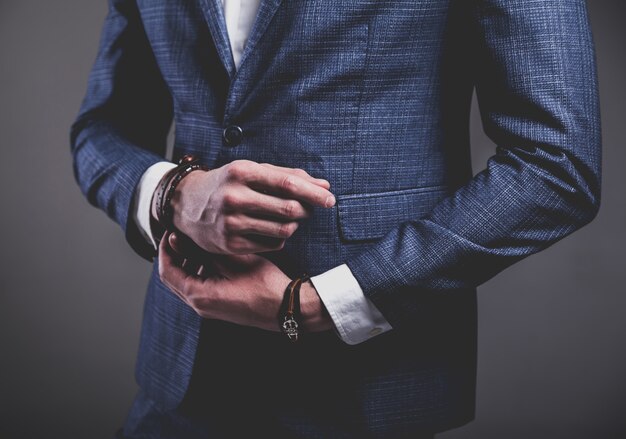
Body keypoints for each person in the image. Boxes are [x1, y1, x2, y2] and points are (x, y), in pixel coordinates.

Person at [71, 0, 601, 437]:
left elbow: (556, 163)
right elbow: (102, 128)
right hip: (180, 381)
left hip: (367, 389)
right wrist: (173, 193)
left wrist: (319, 304)